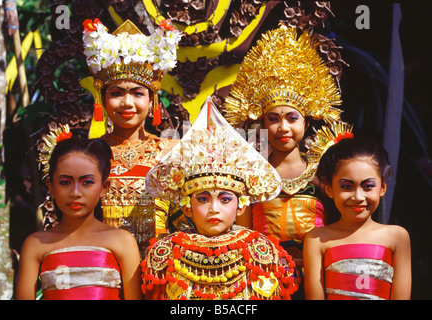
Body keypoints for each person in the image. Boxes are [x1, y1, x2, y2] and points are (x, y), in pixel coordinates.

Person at [223, 24, 344, 289]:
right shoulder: (252, 175)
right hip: (263, 281)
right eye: (273, 119)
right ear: (263, 124)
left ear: (306, 122)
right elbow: (241, 234)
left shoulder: (322, 175)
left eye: (292, 118)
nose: (283, 128)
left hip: (320, 278)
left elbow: (339, 228)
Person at [140, 99, 298, 300]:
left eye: (225, 200)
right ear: (187, 208)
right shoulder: (166, 253)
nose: (214, 208)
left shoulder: (262, 251)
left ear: (241, 207)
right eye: (203, 199)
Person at [81, 18, 187, 257]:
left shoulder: (172, 151)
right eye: (116, 93)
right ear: (103, 100)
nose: (127, 103)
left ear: (152, 101)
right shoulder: (88, 153)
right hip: (101, 265)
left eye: (137, 93)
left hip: (161, 268)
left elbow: (187, 222)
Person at [15, 127, 142, 300]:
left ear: (104, 187)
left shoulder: (122, 241)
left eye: (87, 182)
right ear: (51, 187)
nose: (75, 192)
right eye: (65, 182)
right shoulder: (35, 245)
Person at [303, 137, 411, 300]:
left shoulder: (397, 237)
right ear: (330, 189)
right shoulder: (317, 239)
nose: (358, 196)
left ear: (382, 188)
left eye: (368, 186)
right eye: (347, 186)